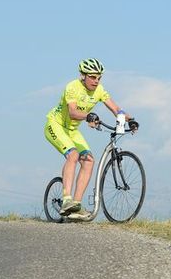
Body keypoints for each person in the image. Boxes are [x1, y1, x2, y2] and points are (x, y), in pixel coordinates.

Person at [44, 58, 132, 220]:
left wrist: (130, 119)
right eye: (92, 77)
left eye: (99, 77)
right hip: (55, 125)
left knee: (89, 160)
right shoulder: (72, 87)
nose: (96, 81)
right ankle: (66, 200)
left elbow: (116, 108)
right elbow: (72, 112)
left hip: (72, 130)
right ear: (83, 75)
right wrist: (88, 116)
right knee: (73, 155)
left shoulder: (99, 90)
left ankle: (75, 205)